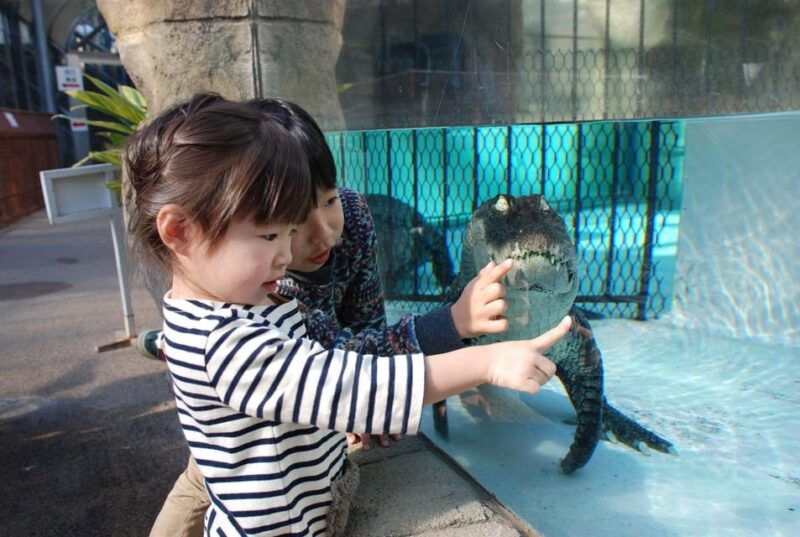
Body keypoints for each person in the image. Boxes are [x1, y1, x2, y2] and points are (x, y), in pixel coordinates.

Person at [127, 93, 571, 536]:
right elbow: (350, 385)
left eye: (291, 231)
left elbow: (345, 358)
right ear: (180, 231)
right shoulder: (227, 342)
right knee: (200, 477)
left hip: (300, 484)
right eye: (271, 235)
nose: (286, 254)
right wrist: (486, 362)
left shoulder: (242, 296)